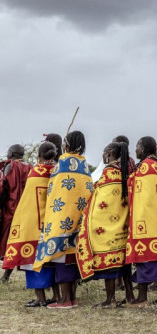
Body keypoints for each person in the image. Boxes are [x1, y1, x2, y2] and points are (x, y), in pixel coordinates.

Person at [33, 131, 92, 309]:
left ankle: (65, 300)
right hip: (79, 218)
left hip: (62, 217)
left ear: (66, 144)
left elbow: (56, 190)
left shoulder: (64, 162)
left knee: (61, 259)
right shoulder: (84, 163)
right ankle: (71, 298)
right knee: (71, 260)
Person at [75, 142, 135, 307]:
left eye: (104, 151)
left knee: (110, 267)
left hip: (106, 228)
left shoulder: (108, 173)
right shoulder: (125, 172)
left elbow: (101, 203)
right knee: (124, 266)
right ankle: (130, 296)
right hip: (122, 227)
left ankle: (110, 299)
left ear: (109, 153)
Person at [2, 142, 59, 306]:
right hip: (52, 225)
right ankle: (56, 295)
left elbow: (27, 201)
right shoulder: (57, 172)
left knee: (33, 261)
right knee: (53, 261)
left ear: (39, 155)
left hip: (33, 224)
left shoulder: (35, 173)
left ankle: (40, 298)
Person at [125, 136, 157, 307]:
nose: (136, 150)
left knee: (145, 260)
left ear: (144, 148)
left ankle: (142, 298)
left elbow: (136, 190)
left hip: (145, 221)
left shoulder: (146, 167)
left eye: (137, 146)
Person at [0, 144, 32, 282]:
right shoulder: (30, 167)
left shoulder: (9, 166)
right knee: (20, 243)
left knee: (9, 243)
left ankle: (6, 276)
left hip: (10, 210)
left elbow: (2, 187)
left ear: (11, 153)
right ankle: (6, 276)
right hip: (27, 210)